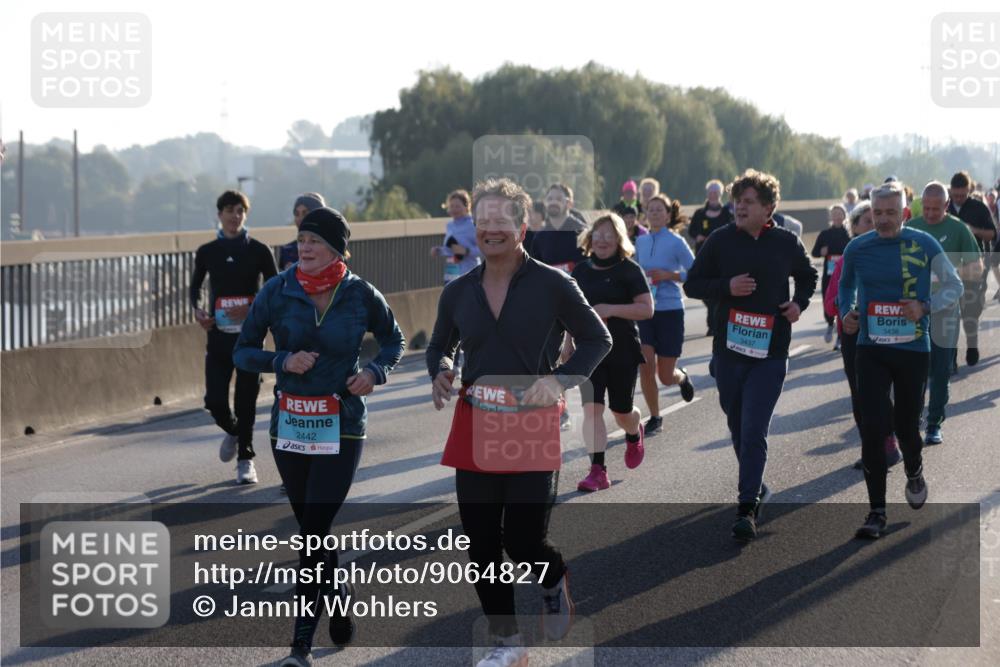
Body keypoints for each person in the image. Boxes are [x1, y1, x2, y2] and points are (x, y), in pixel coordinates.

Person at [426, 178, 611, 666]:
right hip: (476, 423)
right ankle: (507, 645)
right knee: (483, 544)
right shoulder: (459, 291)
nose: (490, 229)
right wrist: (442, 370)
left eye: (501, 221)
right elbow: (438, 344)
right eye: (482, 221)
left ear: (522, 227)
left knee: (524, 540)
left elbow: (597, 339)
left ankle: (551, 578)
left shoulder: (554, 284)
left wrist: (561, 380)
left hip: (531, 422)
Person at [234, 206, 405, 666]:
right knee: (316, 530)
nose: (303, 248)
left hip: (343, 424)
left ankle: (300, 646)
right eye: (301, 240)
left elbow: (395, 341)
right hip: (289, 426)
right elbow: (242, 350)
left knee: (312, 534)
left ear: (335, 249)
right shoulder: (277, 290)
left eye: (314, 241)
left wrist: (375, 371)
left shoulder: (359, 294)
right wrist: (280, 361)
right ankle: (340, 591)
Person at [684, 169, 817, 542]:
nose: (739, 208)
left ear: (768, 208)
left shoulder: (787, 242)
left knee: (754, 428)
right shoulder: (720, 240)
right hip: (728, 350)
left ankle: (747, 506)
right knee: (737, 424)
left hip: (771, 352)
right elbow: (692, 283)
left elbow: (808, 276)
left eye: (748, 202)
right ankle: (756, 484)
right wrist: (726, 286)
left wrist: (798, 304)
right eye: (736, 201)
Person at [838, 181, 962, 539]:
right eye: (878, 213)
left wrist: (924, 306)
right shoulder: (857, 248)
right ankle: (877, 511)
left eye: (891, 213)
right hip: (870, 347)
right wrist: (846, 313)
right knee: (873, 428)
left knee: (907, 428)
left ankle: (914, 467)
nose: (883, 220)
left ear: (906, 213)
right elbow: (845, 287)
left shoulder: (923, 243)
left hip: (912, 349)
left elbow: (954, 286)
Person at [190, 190, 277, 485]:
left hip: (250, 338)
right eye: (229, 210)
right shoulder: (207, 252)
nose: (234, 215)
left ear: (245, 215)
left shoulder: (259, 250)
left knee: (246, 400)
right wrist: (199, 312)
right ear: (219, 214)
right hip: (218, 338)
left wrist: (251, 305)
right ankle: (234, 430)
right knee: (214, 400)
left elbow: (273, 289)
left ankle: (246, 459)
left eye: (240, 210)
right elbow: (195, 289)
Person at [571, 213, 653, 491]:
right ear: (590, 238)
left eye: (609, 235)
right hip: (589, 351)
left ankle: (634, 429)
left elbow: (646, 309)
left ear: (619, 240)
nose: (602, 240)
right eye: (598, 234)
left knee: (621, 411)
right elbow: (571, 312)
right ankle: (597, 470)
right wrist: (568, 343)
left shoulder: (629, 270)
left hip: (623, 350)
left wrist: (610, 309)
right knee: (591, 410)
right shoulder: (580, 272)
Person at [824, 202, 903, 470]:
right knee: (859, 393)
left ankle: (890, 443)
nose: (874, 224)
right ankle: (871, 447)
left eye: (878, 218)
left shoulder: (897, 252)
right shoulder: (848, 257)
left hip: (886, 330)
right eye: (867, 220)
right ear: (854, 227)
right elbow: (829, 302)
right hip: (853, 333)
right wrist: (847, 308)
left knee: (882, 391)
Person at [905, 182, 982, 445]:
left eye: (935, 209)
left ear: (947, 206)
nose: (929, 213)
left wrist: (949, 274)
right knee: (914, 371)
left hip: (946, 310)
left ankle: (934, 422)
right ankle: (912, 420)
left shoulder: (958, 229)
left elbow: (977, 268)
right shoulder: (911, 227)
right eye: (925, 208)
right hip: (915, 311)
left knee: (940, 371)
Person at [636, 194, 697, 435]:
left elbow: (695, 271)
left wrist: (669, 276)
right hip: (645, 311)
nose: (654, 213)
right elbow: (633, 271)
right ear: (646, 214)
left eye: (659, 210)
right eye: (650, 210)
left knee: (665, 375)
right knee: (645, 365)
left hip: (670, 310)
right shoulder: (640, 242)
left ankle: (681, 377)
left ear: (668, 215)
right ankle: (655, 416)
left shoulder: (676, 242)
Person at [947, 171, 997, 366]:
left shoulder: (979, 208)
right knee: (949, 309)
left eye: (962, 194)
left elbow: (992, 235)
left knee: (971, 310)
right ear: (950, 191)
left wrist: (973, 230)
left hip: (976, 266)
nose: (958, 199)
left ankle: (972, 344)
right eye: (955, 194)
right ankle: (949, 356)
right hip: (949, 266)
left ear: (969, 190)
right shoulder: (944, 208)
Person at [690, 180, 734, 336]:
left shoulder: (727, 214)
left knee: (718, 291)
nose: (713, 195)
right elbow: (691, 231)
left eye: (716, 192)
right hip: (703, 256)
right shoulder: (699, 214)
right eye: (711, 192)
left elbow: (732, 231)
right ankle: (714, 320)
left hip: (721, 259)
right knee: (706, 292)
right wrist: (698, 236)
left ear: (720, 194)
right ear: (707, 194)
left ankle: (715, 325)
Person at [812, 204, 852, 346]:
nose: (836, 217)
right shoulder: (825, 234)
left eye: (839, 214)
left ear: (844, 216)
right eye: (834, 214)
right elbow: (814, 252)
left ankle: (841, 336)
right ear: (831, 217)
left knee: (843, 301)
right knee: (827, 300)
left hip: (845, 273)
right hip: (829, 274)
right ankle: (830, 324)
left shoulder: (849, 234)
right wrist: (821, 252)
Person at [431, 189, 482, 284]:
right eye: (451, 206)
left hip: (469, 273)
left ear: (467, 207)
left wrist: (467, 251)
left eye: (457, 206)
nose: (454, 209)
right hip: (452, 272)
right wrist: (439, 251)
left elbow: (483, 249)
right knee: (451, 298)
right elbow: (451, 249)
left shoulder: (473, 225)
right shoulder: (449, 225)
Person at [279, 193, 325, 270]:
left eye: (305, 213)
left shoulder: (331, 249)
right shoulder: (287, 250)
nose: (300, 218)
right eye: (296, 214)